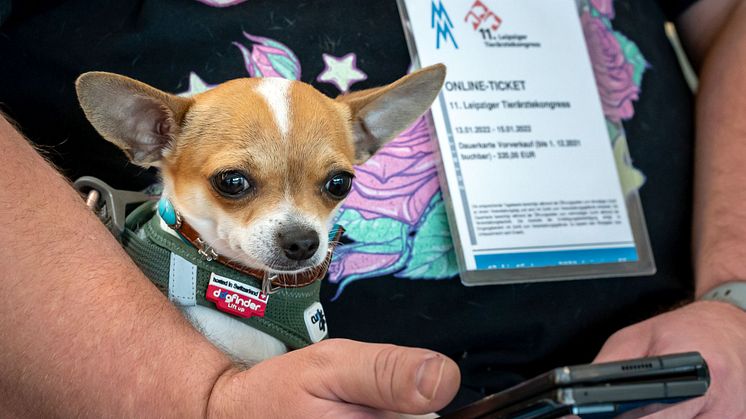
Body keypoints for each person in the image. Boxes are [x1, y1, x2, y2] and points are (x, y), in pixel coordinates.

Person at [1, 0, 745, 417]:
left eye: (333, 186)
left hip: (661, 378)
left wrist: (734, 298)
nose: (297, 228)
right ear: (149, 134)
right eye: (236, 184)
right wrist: (192, 398)